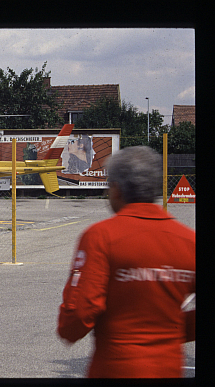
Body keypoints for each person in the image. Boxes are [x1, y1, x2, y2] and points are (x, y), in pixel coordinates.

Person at [57, 146, 195, 378]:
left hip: (114, 368)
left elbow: (77, 318)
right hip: (169, 368)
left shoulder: (101, 236)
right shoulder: (188, 241)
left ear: (117, 189)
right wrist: (171, 329)